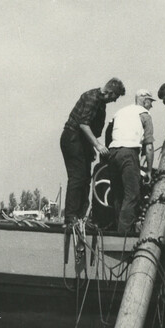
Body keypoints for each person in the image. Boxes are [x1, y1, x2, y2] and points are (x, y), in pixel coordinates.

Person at [60, 78, 125, 222]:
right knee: (77, 177)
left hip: (82, 142)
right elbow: (83, 124)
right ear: (109, 92)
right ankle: (71, 217)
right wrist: (98, 145)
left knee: (85, 179)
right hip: (73, 138)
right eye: (115, 97)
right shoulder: (93, 98)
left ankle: (80, 216)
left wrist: (90, 148)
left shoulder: (101, 103)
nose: (115, 101)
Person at [101, 91, 156, 233]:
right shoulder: (145, 115)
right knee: (132, 195)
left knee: (118, 194)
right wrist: (149, 170)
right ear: (144, 101)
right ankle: (124, 235)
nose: (151, 105)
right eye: (150, 101)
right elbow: (149, 146)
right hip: (129, 153)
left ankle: (117, 231)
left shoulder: (120, 112)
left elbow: (108, 133)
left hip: (113, 153)